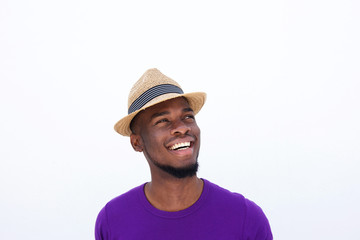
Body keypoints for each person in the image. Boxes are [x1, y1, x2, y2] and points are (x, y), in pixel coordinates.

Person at [95, 68, 273, 240]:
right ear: (137, 142)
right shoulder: (113, 220)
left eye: (188, 117)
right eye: (163, 121)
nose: (182, 128)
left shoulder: (245, 217)